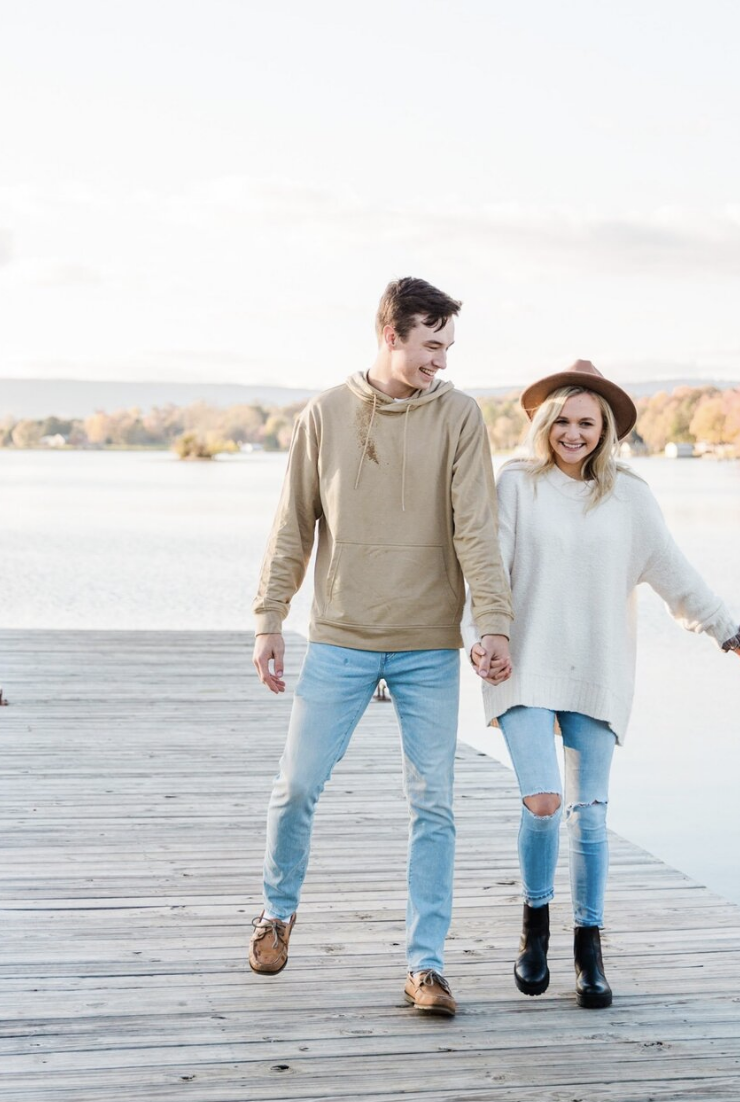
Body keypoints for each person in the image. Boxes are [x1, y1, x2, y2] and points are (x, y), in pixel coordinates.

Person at [463, 360, 740, 1008]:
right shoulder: (516, 482)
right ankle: (535, 926)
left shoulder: (630, 496)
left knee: (592, 818)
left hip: (597, 666)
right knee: (543, 801)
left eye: (587, 424)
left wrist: (729, 633)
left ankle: (589, 948)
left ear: (606, 432)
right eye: (563, 422)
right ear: (545, 424)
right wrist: (483, 636)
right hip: (521, 662)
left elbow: (675, 575)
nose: (573, 434)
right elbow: (484, 565)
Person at [249, 277, 513, 1018]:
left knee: (435, 804)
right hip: (340, 637)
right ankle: (276, 912)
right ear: (391, 334)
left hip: (429, 644)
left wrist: (492, 622)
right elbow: (292, 526)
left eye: (448, 347)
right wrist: (269, 618)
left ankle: (425, 966)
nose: (441, 360)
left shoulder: (460, 417)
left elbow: (476, 532)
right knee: (295, 786)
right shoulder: (326, 414)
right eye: (431, 345)